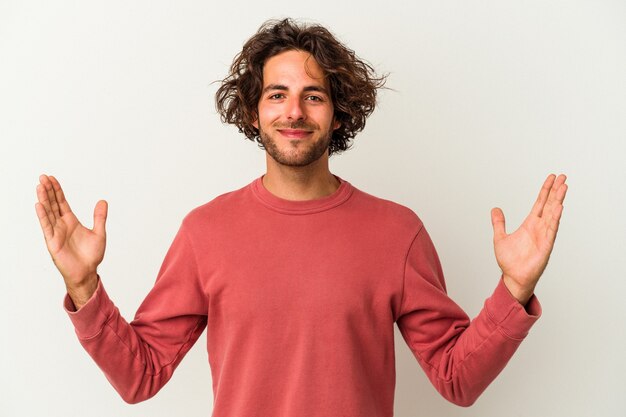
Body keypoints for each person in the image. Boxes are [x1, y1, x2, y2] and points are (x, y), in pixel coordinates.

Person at [35, 18, 568, 417]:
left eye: (313, 96)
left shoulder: (397, 233)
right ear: (254, 111)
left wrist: (514, 288)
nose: (294, 111)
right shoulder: (205, 232)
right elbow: (140, 376)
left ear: (338, 114)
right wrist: (83, 285)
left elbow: (458, 379)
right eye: (277, 95)